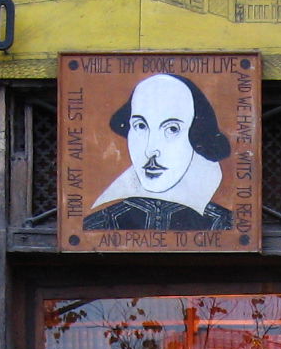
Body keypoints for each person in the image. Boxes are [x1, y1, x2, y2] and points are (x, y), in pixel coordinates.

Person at [84, 72, 235, 232]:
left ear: (197, 136)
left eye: (172, 129)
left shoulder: (225, 225)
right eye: (140, 126)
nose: (151, 150)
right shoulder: (97, 225)